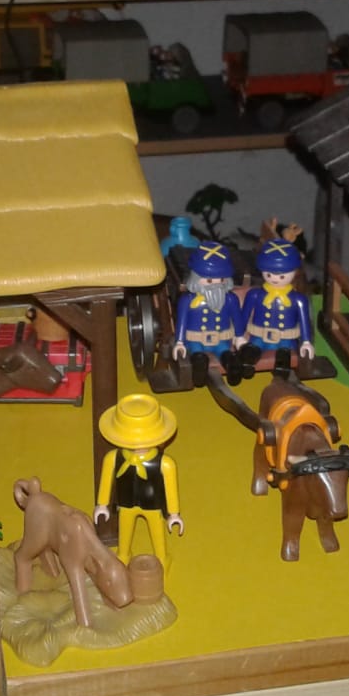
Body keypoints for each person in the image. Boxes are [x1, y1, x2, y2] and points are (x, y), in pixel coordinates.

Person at [95, 394, 182, 567]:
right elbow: (106, 481)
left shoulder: (165, 464)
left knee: (157, 536)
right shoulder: (113, 458)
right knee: (124, 537)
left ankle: (161, 559)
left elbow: (170, 488)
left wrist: (174, 514)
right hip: (125, 505)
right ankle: (123, 556)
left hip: (153, 506)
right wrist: (102, 505)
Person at [172, 241, 244, 386]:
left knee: (226, 353)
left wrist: (239, 336)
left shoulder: (230, 299)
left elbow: (237, 318)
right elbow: (182, 322)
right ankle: (199, 371)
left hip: (221, 339)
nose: (215, 283)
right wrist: (179, 342)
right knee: (198, 355)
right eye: (209, 280)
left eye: (221, 279)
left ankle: (233, 368)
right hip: (195, 339)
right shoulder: (188, 300)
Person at [239, 237, 315, 367]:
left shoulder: (298, 299)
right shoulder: (255, 294)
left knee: (285, 357)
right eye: (269, 274)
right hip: (258, 337)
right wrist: (239, 335)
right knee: (250, 354)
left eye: (281, 276)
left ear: (294, 272)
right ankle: (247, 366)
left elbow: (304, 322)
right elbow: (244, 316)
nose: (275, 279)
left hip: (286, 339)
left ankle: (283, 370)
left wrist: (306, 341)